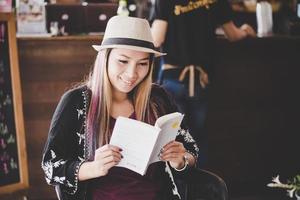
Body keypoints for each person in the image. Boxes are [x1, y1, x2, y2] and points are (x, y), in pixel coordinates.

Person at [41, 16, 199, 200]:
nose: (132, 74)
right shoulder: (75, 102)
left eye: (142, 64)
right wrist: (92, 167)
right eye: (123, 61)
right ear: (105, 58)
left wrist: (179, 160)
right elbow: (50, 167)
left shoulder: (158, 98)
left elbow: (192, 150)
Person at [150, 0, 256, 167]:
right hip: (202, 80)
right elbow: (233, 34)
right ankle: (201, 187)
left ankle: (176, 189)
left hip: (173, 79)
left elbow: (156, 39)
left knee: (172, 139)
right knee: (197, 138)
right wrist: (244, 31)